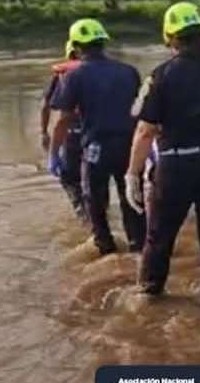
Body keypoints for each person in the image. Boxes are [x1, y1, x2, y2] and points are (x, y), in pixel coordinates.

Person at [124, 2, 200, 309]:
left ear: (170, 36)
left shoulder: (162, 76)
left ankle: (149, 296)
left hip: (176, 166)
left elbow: (145, 131)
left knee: (159, 237)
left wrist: (132, 173)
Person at [50, 19, 146, 255]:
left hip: (97, 148)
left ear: (76, 46)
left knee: (95, 201)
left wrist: (54, 153)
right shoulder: (129, 72)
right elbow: (142, 110)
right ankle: (139, 248)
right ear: (103, 43)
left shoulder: (74, 77)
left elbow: (63, 119)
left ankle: (106, 249)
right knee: (132, 200)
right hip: (129, 146)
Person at [41, 41, 85, 221]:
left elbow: (46, 106)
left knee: (69, 179)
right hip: (98, 134)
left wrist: (44, 132)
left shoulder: (63, 74)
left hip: (72, 135)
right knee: (95, 179)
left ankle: (82, 214)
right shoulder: (103, 72)